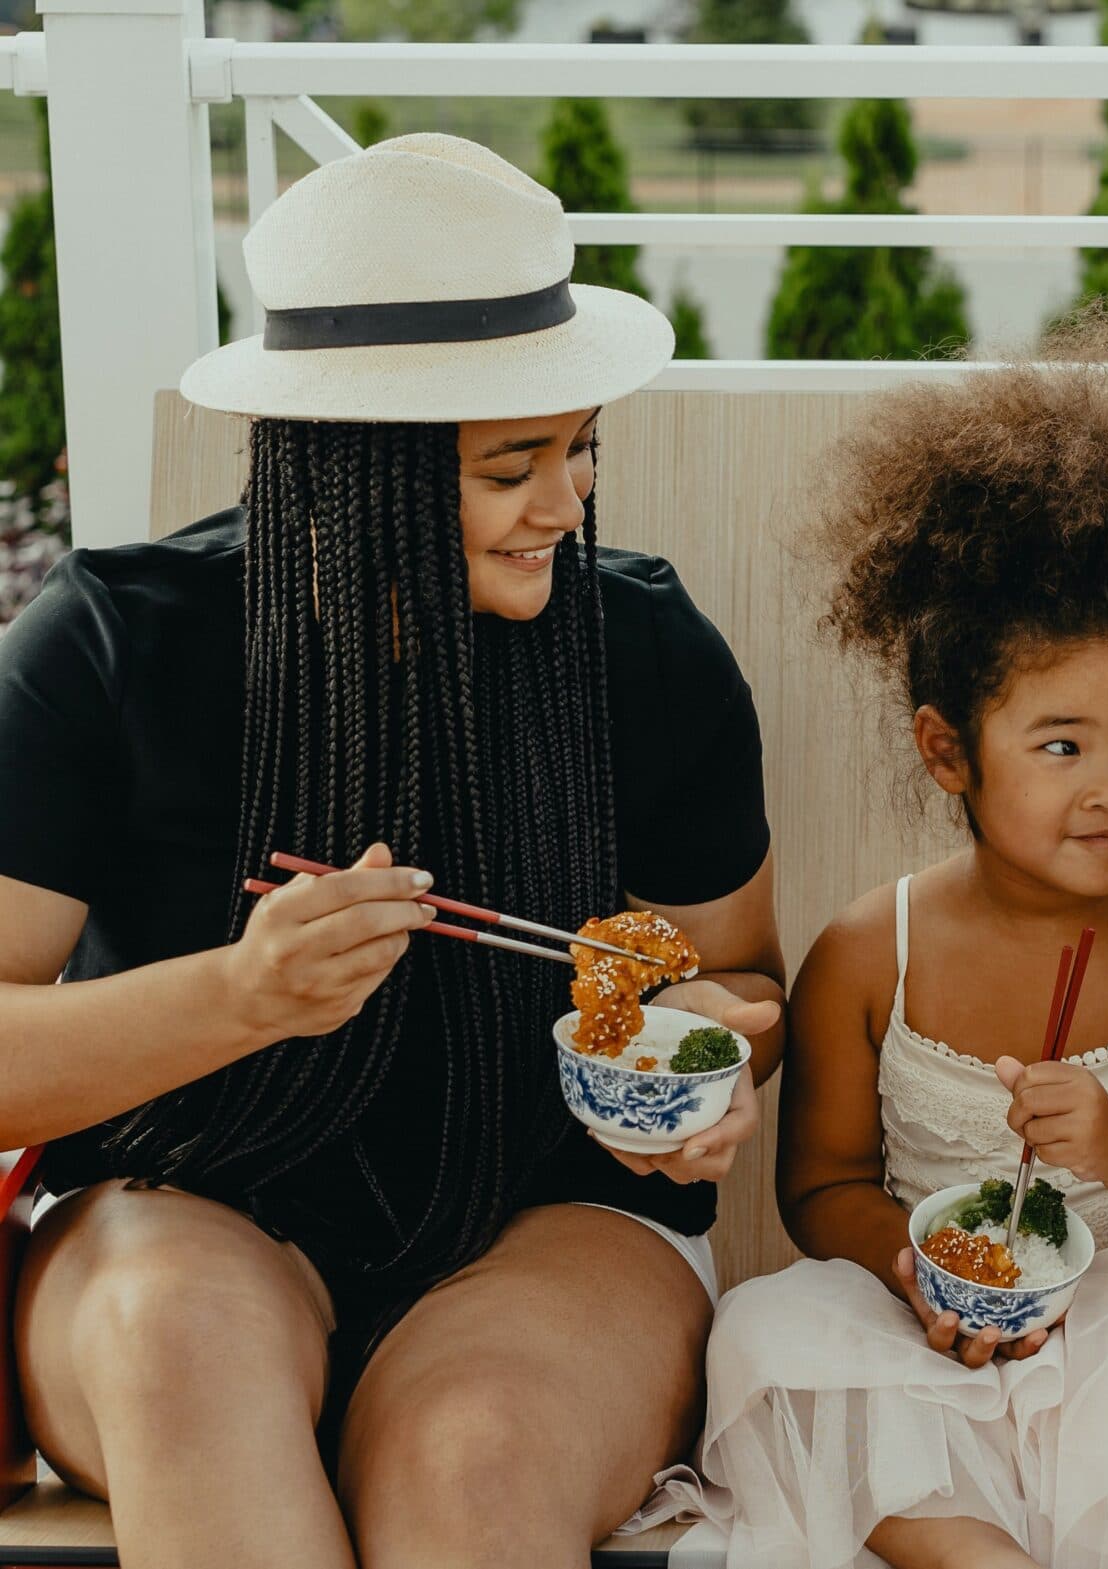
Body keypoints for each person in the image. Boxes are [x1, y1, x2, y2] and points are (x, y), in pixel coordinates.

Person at [0, 134, 785, 1567]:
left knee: (472, 1461)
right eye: (511, 467)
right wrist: (239, 999)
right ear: (353, 467)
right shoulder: (111, 643)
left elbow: (742, 982)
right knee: (180, 1349)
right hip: (180, 1199)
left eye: (580, 447)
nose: (567, 505)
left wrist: (701, 1057)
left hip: (552, 1216)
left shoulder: (645, 649)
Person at [643, 338, 1108, 1569]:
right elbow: (820, 1191)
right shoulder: (872, 952)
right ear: (946, 750)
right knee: (767, 1330)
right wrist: (917, 1271)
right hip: (933, 1339)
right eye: (1061, 746)